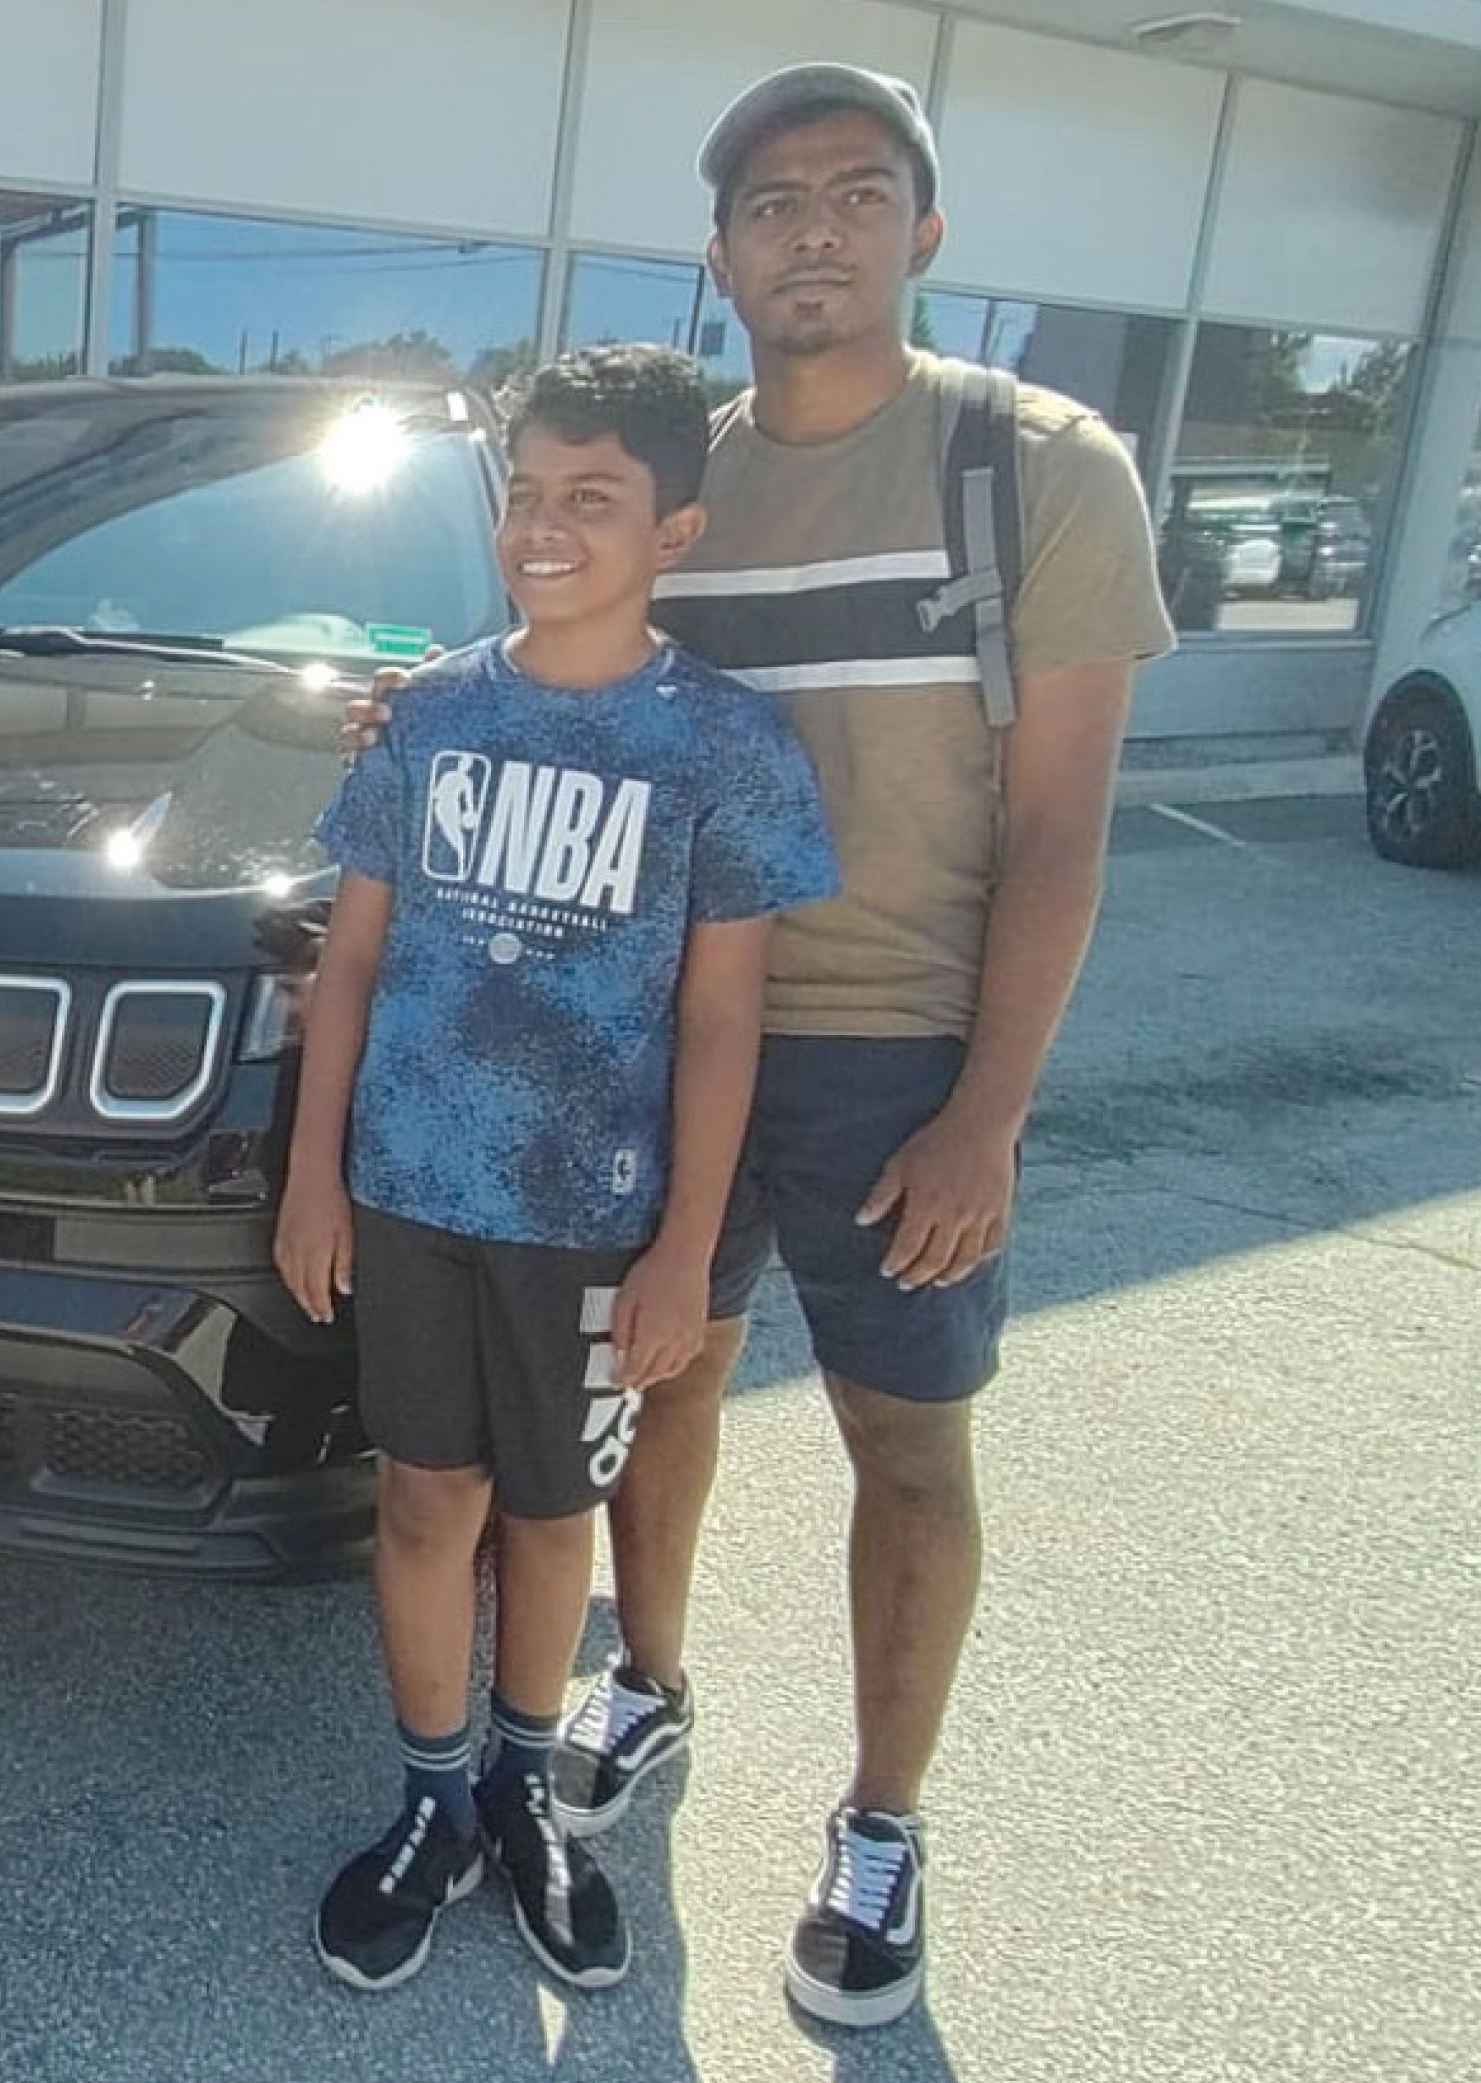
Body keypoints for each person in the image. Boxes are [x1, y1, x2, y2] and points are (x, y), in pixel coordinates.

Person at [353, 65, 1173, 2027]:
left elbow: (1059, 823)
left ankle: (881, 1820)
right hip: (640, 1052)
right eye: (771, 202)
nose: (812, 228)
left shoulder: (1030, 467)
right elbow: (565, 657)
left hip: (895, 1050)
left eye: (856, 193)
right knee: (665, 1391)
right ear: (719, 251)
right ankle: (644, 1684)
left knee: (905, 1437)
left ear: (921, 232)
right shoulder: (666, 470)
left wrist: (987, 1109)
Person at [283, 346, 836, 1994]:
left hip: (591, 1218)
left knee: (550, 1511)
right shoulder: (435, 712)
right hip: (410, 1192)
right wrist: (316, 1177)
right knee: (423, 1499)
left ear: (675, 527)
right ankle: (434, 1798)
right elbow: (354, 964)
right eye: (526, 494)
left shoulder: (722, 745)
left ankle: (530, 1794)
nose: (546, 528)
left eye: (592, 500)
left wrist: (683, 1250)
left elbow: (726, 1022)